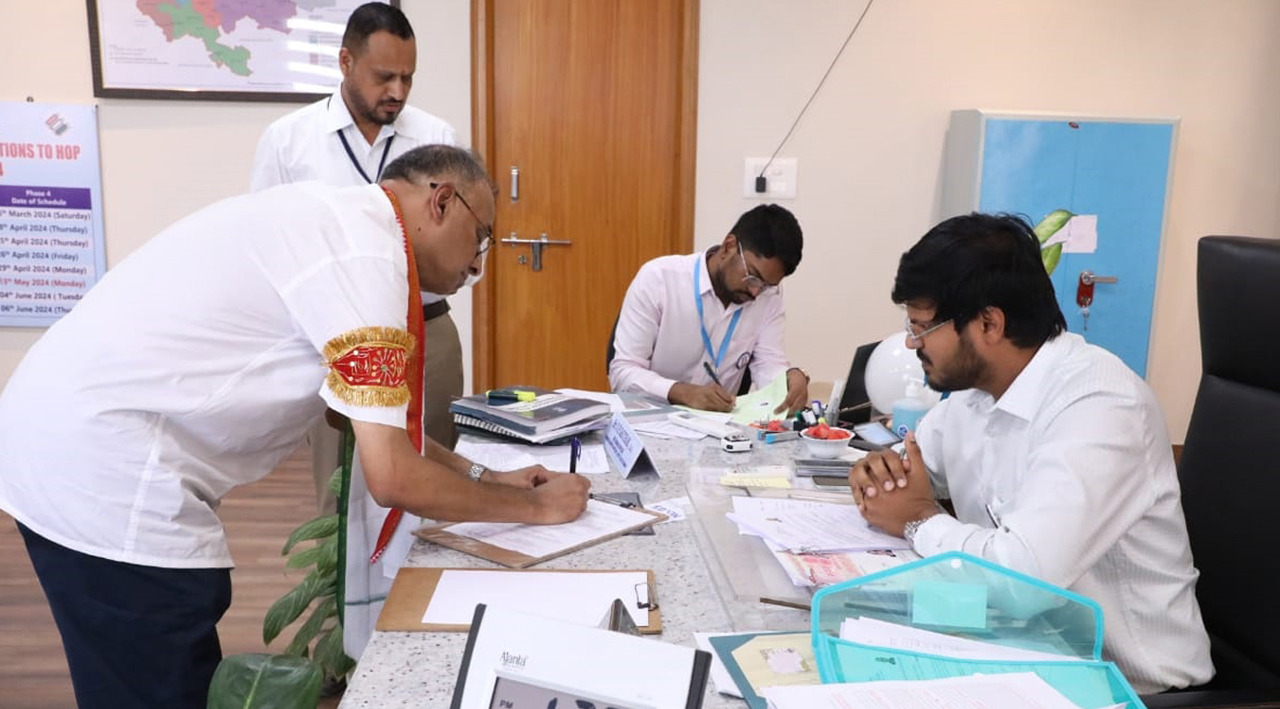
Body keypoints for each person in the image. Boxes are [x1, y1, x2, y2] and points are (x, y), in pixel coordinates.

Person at [0, 145, 591, 709]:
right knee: (159, 671)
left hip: (68, 433)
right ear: (441, 202)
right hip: (102, 464)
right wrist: (539, 511)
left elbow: (354, 416)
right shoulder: (369, 259)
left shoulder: (341, 224)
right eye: (482, 236)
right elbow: (392, 475)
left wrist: (485, 474)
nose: (478, 263)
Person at [848, 212, 1213, 693]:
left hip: (1125, 684)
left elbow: (1023, 581)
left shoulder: (1101, 404)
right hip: (1026, 650)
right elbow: (910, 470)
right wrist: (879, 471)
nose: (913, 344)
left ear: (989, 323)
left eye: (921, 327)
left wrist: (918, 520)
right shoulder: (978, 392)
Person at [251, 1, 466, 514]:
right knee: (339, 493)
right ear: (345, 62)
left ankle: (423, 593)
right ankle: (341, 598)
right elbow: (266, 243)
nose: (396, 92)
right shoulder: (289, 140)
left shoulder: (437, 139)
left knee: (433, 486)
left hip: (424, 331)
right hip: (330, 342)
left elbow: (458, 250)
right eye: (384, 76)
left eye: (408, 79)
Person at [608, 204, 810, 416]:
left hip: (717, 430)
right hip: (649, 421)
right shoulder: (659, 279)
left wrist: (787, 379)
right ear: (728, 246)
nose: (756, 292)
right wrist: (682, 392)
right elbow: (623, 372)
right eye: (753, 276)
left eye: (767, 285)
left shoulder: (769, 296)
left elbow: (767, 363)